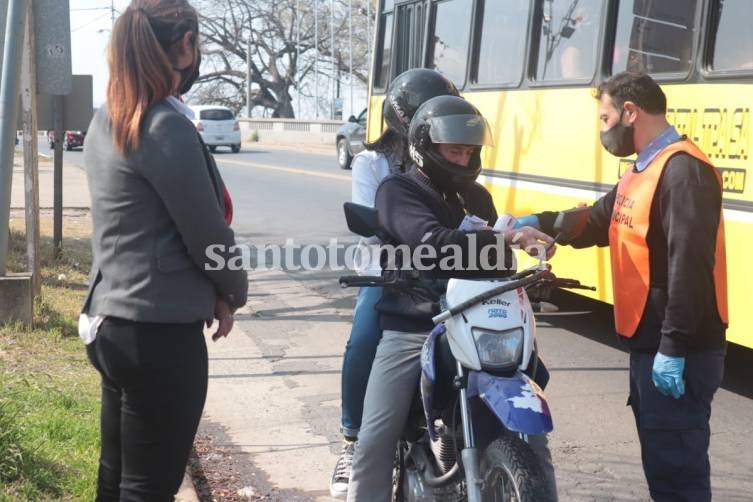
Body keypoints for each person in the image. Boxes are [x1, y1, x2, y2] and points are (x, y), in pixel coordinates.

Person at [347, 95, 558, 501]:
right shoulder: (398, 190)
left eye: (468, 151)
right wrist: (503, 239)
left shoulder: (476, 196)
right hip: (416, 322)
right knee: (375, 436)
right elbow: (434, 244)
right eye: (453, 151)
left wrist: (532, 267)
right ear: (426, 148)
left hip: (476, 320)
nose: (462, 160)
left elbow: (492, 257)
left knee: (534, 432)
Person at [80, 1, 248, 500]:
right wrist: (232, 291)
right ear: (182, 46)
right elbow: (207, 233)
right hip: (160, 336)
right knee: (150, 487)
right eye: (194, 42)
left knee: (116, 477)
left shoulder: (107, 119)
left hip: (112, 323)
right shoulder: (164, 126)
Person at [536, 71, 728, 501]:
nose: (603, 130)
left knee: (680, 479)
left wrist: (674, 348)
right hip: (651, 348)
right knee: (664, 473)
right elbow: (599, 220)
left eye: (604, 119)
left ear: (629, 111)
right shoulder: (642, 169)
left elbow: (691, 268)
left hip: (679, 353)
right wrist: (541, 224)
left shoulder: (683, 172)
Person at [330, 68, 460, 498]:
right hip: (388, 268)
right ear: (406, 119)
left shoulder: (449, 159)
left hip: (442, 272)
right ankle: (352, 437)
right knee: (366, 333)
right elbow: (375, 221)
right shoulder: (374, 163)